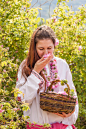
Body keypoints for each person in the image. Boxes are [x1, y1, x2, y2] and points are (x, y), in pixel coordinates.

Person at [16, 25, 79, 129]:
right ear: (34, 48)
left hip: (62, 126)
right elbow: (22, 100)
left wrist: (70, 113)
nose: (46, 53)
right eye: (41, 49)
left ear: (54, 46)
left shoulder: (62, 64)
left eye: (49, 48)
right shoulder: (25, 66)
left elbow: (73, 95)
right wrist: (36, 72)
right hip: (36, 126)